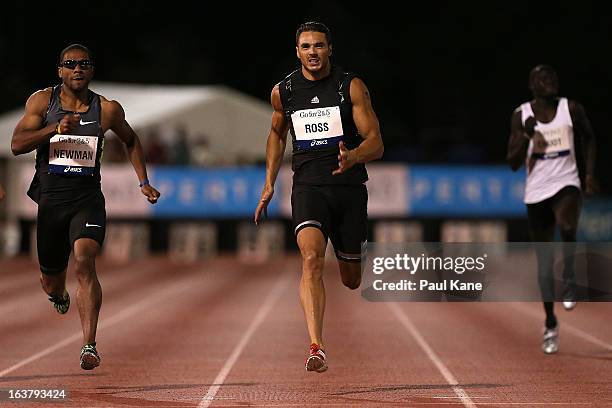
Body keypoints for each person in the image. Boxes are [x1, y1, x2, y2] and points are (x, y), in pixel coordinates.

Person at [11, 44, 160, 370]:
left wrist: (143, 182)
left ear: (91, 70)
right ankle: (58, 294)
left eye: (84, 64)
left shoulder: (106, 109)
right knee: (51, 280)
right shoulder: (42, 102)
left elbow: (131, 139)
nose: (77, 69)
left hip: (87, 201)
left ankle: (89, 344)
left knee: (84, 260)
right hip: (51, 202)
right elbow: (16, 144)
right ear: (60, 70)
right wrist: (54, 129)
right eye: (71, 64)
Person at [254, 22, 384, 372]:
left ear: (330, 49)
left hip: (349, 189)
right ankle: (316, 346)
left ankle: (352, 258)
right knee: (311, 259)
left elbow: (376, 142)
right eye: (306, 46)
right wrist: (269, 182)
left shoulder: (350, 86)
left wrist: (354, 156)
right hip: (308, 186)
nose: (313, 52)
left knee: (351, 279)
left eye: (319, 46)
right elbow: (276, 134)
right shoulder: (284, 91)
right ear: (297, 51)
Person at [507, 64, 596, 354]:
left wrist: (588, 175)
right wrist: (525, 136)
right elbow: (512, 162)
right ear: (533, 85)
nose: (551, 82)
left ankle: (570, 278)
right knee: (544, 264)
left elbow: (589, 137)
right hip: (536, 192)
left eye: (554, 77)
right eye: (544, 79)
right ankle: (550, 322)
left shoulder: (571, 108)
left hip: (567, 182)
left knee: (568, 226)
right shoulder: (522, 115)